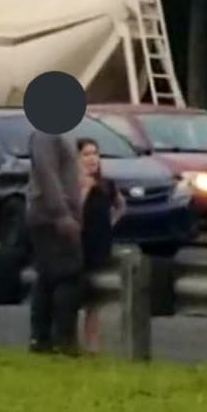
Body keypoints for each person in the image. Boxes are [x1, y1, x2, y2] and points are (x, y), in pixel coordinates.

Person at [27, 127, 85, 355]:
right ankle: (62, 338)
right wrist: (61, 213)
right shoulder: (46, 133)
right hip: (52, 217)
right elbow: (47, 174)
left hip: (54, 215)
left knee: (49, 278)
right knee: (67, 275)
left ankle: (42, 339)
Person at [77, 138, 126, 354]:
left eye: (95, 153)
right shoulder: (72, 184)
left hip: (100, 245)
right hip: (78, 246)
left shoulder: (107, 184)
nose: (92, 159)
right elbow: (72, 213)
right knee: (77, 294)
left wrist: (109, 223)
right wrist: (84, 191)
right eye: (86, 154)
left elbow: (121, 206)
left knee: (95, 299)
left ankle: (92, 345)